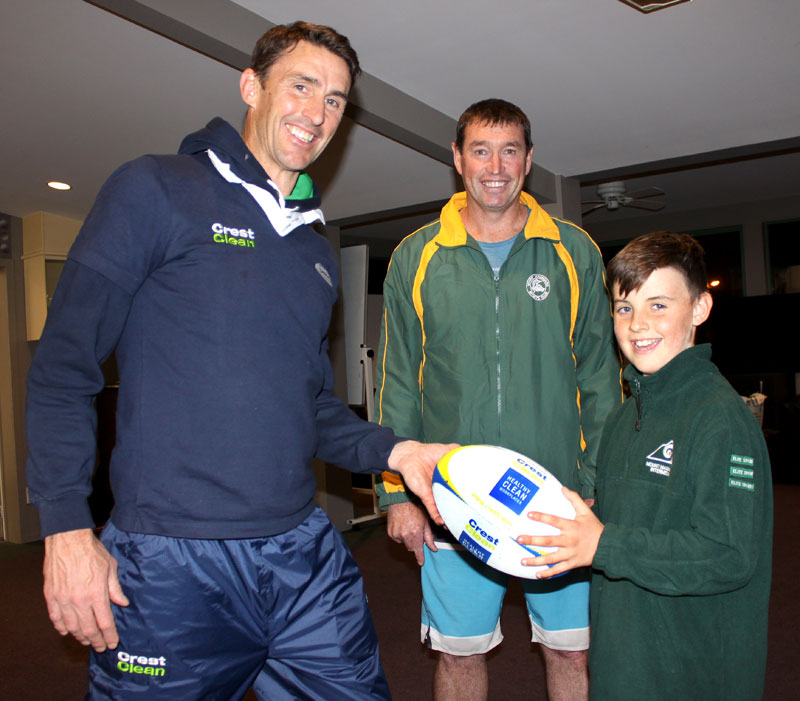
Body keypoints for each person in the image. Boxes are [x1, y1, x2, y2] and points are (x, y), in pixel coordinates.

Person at [25, 21, 455, 700]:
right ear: (251, 86)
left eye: (337, 100)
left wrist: (399, 452)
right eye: (302, 85)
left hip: (302, 555)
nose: (317, 113)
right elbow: (63, 366)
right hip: (170, 562)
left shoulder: (314, 249)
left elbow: (307, 405)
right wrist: (66, 528)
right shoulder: (155, 189)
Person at [375, 98, 621, 700]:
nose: (495, 165)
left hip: (559, 499)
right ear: (458, 160)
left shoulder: (572, 250)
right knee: (458, 658)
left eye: (510, 150)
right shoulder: (417, 255)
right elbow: (398, 380)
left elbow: (600, 375)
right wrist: (395, 495)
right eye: (480, 149)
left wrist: (598, 481)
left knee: (572, 651)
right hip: (450, 498)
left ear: (529, 161)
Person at [521, 232, 773, 700]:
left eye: (659, 305)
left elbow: (731, 555)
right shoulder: (622, 418)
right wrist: (577, 533)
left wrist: (605, 543)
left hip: (691, 675)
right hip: (623, 665)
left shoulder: (721, 418)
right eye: (624, 308)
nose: (638, 324)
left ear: (699, 309)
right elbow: (621, 534)